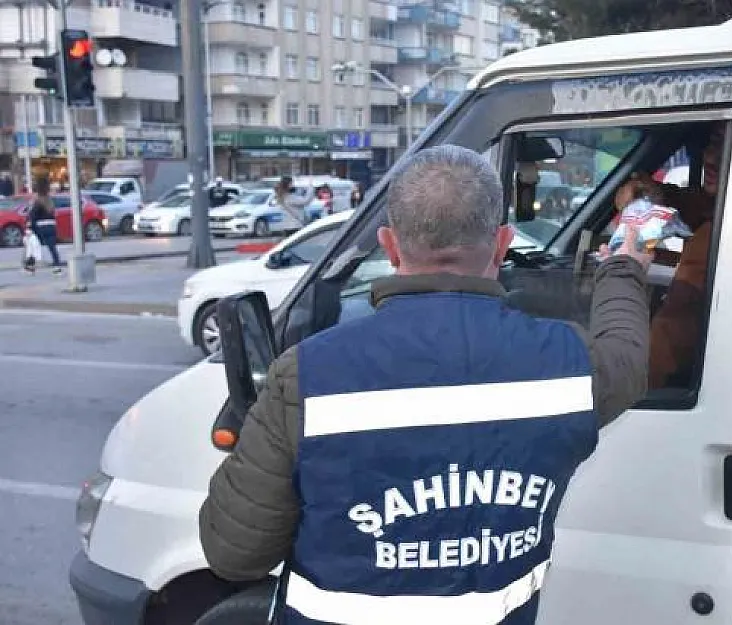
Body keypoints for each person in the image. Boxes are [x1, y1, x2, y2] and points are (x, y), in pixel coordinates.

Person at [199, 145, 652, 625]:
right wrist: (624, 266)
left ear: (390, 246)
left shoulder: (307, 374)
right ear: (501, 245)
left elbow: (234, 554)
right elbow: (627, 356)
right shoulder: (568, 364)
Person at [613, 122, 725, 389]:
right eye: (712, 143)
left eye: (724, 144)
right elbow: (701, 204)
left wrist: (620, 390)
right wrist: (656, 194)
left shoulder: (718, 235)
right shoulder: (726, 207)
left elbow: (667, 345)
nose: (710, 157)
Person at [25, 177, 63, 275]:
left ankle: (30, 266)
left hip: (40, 227)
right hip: (51, 226)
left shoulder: (37, 202)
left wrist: (30, 227)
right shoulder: (50, 202)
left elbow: (33, 215)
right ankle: (57, 267)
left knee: (33, 246)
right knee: (52, 248)